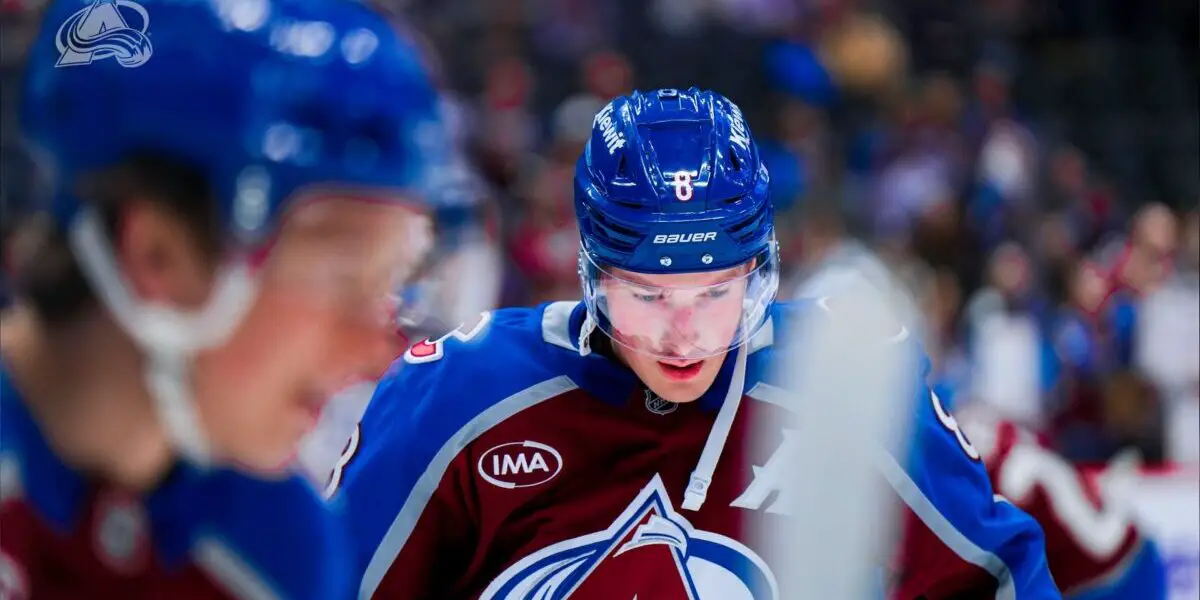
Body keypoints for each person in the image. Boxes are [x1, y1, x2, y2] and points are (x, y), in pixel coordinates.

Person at [331, 88, 1059, 599]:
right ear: (591, 276)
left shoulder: (845, 390)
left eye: (716, 293)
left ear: (759, 271)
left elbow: (996, 580)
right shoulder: (452, 400)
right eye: (647, 295)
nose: (685, 334)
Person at [0, 0, 447, 598]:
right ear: (158, 253)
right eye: (344, 277)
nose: (377, 351)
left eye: (390, 284)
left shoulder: (285, 550)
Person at [953, 403, 1168, 599]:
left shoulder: (1018, 478)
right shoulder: (1010, 467)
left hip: (1118, 574)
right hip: (1108, 567)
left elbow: (1101, 543)